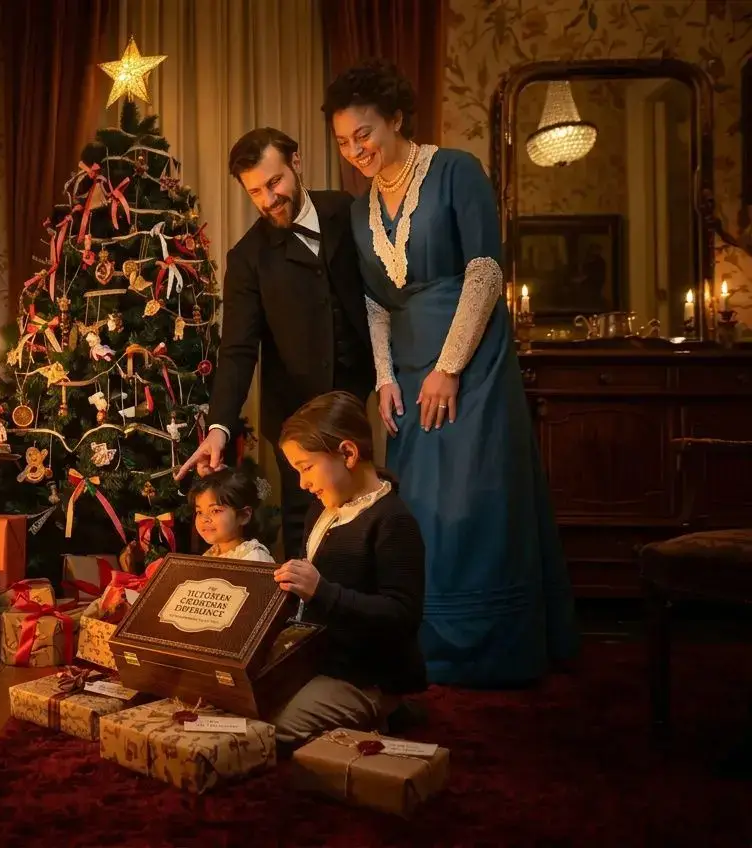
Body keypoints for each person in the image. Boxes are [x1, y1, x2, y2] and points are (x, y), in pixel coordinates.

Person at [323, 61, 578, 687]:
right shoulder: (358, 214)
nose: (357, 150)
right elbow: (375, 303)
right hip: (409, 375)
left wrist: (448, 368)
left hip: (473, 365)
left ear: (396, 120)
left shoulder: (456, 169)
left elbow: (486, 272)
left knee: (475, 502)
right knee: (422, 514)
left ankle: (493, 652)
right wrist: (387, 378)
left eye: (365, 134)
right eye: (343, 141)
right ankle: (424, 647)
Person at [175, 127, 375, 561]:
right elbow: (238, 349)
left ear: (296, 163)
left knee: (367, 517)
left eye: (275, 182)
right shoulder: (247, 258)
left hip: (363, 401)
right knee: (310, 530)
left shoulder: (347, 210)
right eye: (255, 192)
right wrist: (218, 427)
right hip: (296, 421)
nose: (268, 199)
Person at [266, 391, 426, 746]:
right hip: (321, 658)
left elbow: (402, 615)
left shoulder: (392, 522)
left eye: (306, 468)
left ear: (348, 454)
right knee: (245, 700)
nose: (302, 483)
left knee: (277, 728)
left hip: (366, 675)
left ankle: (384, 709)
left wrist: (322, 592)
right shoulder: (322, 509)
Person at [188, 466, 275, 563]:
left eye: (215, 511)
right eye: (199, 512)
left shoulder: (253, 557)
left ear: (244, 516)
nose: (205, 519)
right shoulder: (209, 555)